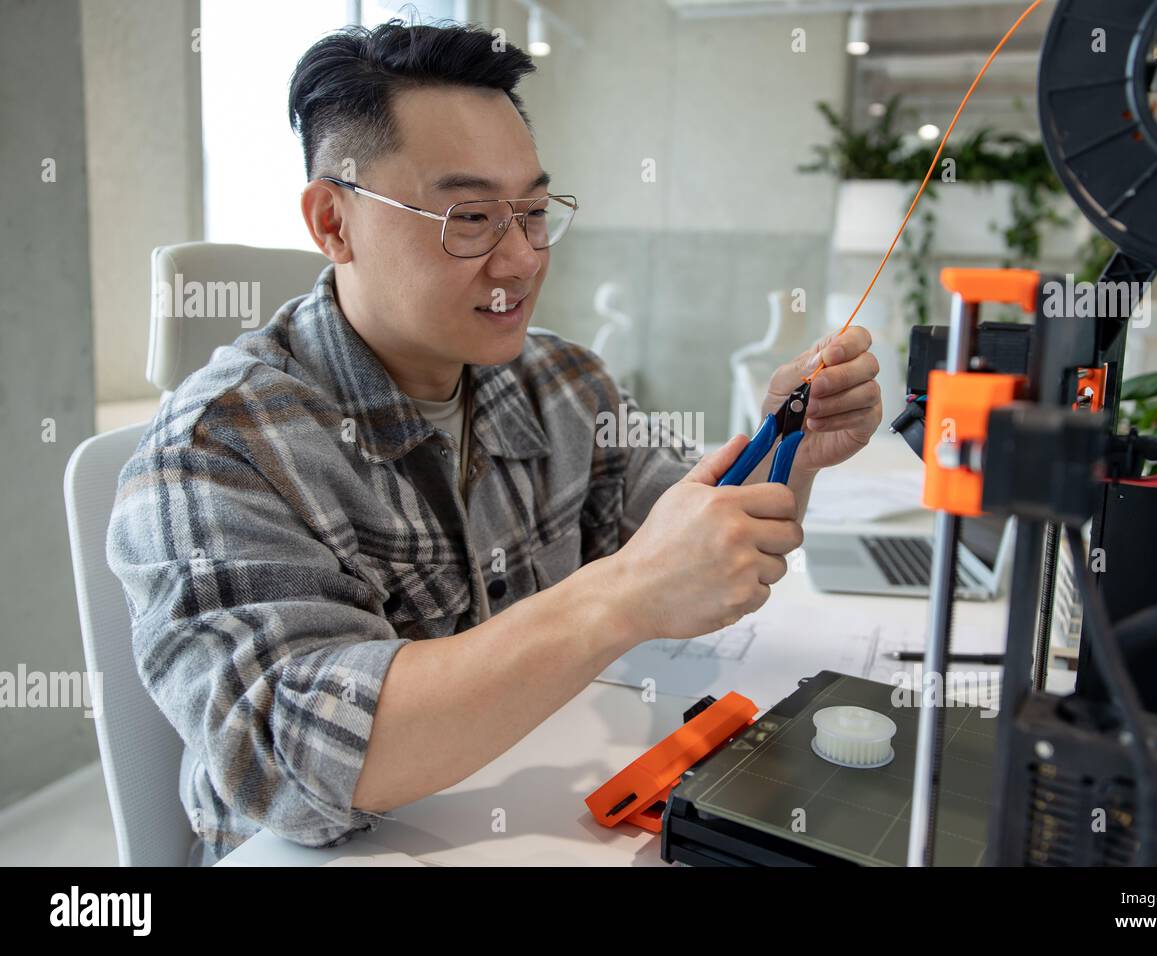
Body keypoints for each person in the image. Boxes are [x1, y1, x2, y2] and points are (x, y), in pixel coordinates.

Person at [107, 20, 882, 864]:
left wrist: (790, 452)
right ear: (335, 223)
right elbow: (289, 761)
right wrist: (618, 594)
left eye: (535, 212)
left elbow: (699, 547)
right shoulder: (220, 447)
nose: (519, 259)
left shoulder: (563, 384)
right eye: (470, 217)